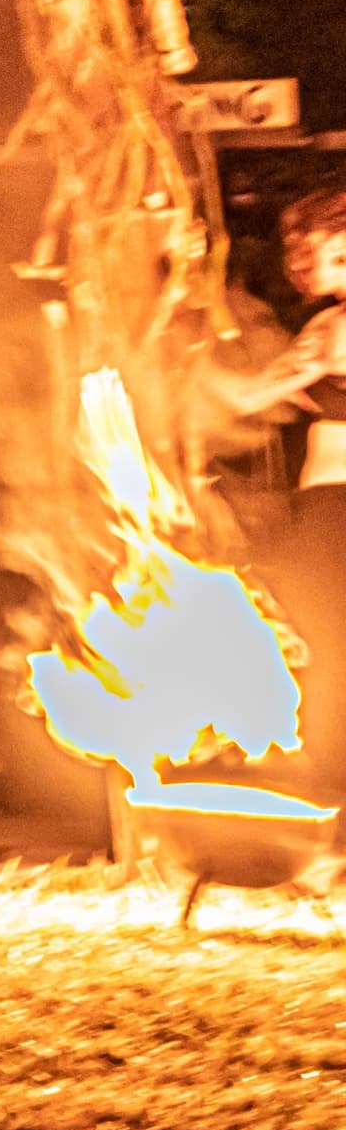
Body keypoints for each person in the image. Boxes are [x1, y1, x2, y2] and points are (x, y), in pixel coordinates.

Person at [223, 186, 346, 796]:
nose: (303, 261)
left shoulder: (333, 329)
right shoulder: (327, 326)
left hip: (335, 515)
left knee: (331, 656)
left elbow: (249, 396)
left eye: (318, 247)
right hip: (331, 514)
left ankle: (330, 791)